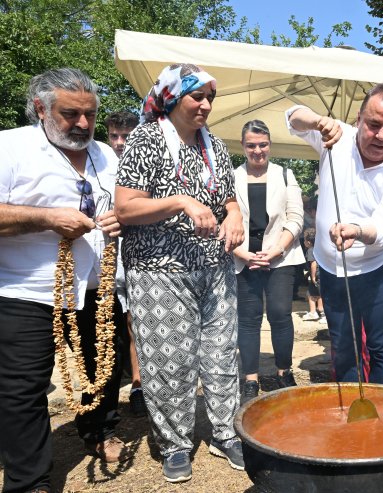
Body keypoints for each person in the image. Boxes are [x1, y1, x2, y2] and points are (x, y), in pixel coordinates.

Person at [114, 63, 245, 482]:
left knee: (222, 352)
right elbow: (126, 208)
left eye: (210, 97)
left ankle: (226, 433)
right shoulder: (145, 140)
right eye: (197, 96)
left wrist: (236, 216)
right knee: (170, 359)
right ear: (172, 97)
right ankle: (175, 443)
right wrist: (180, 202)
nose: (206, 104)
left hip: (215, 268)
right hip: (159, 272)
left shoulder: (216, 146)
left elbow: (229, 199)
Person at [0, 67, 128, 493]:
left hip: (97, 283)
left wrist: (119, 219)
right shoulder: (9, 147)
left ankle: (99, 429)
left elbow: (126, 206)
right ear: (41, 108)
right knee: (24, 389)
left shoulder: (106, 155)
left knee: (104, 368)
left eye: (90, 114)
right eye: (71, 114)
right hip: (27, 289)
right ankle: (29, 480)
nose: (84, 124)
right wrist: (45, 218)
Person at [286, 84, 383, 385]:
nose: (382, 136)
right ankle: (347, 410)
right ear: (359, 119)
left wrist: (357, 231)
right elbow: (292, 116)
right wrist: (318, 121)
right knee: (343, 345)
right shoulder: (336, 137)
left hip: (377, 268)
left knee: (381, 345)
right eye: (374, 125)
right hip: (332, 269)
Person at [233, 119, 305, 401]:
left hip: (280, 259)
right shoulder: (231, 176)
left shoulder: (285, 175)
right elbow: (221, 219)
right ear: (243, 146)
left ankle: (283, 371)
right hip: (242, 258)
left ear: (270, 145)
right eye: (251, 145)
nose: (257, 150)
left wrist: (276, 250)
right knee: (248, 320)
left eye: (262, 145)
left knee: (280, 315)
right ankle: (249, 378)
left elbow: (296, 218)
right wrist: (239, 252)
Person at [104, 110, 147, 418]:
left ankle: (139, 384)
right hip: (105, 262)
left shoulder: (146, 166)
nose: (120, 143)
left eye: (126, 136)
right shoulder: (99, 164)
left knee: (136, 324)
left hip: (138, 257)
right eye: (114, 136)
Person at [302, 227, 327, 323]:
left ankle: (314, 312)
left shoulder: (310, 250)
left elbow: (313, 264)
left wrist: (312, 276)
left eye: (304, 240)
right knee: (320, 293)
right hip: (322, 274)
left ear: (308, 242)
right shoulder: (319, 248)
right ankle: (320, 310)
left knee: (310, 293)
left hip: (316, 275)